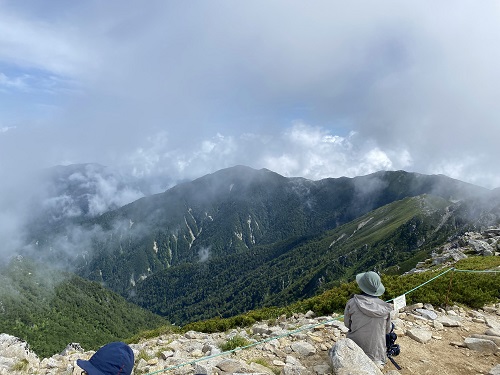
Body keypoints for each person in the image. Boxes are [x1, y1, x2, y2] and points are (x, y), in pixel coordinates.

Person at [343, 271, 393, 367]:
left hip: (354, 349)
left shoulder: (352, 302)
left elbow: (347, 324)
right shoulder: (385, 308)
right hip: (377, 355)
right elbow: (387, 330)